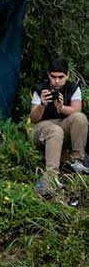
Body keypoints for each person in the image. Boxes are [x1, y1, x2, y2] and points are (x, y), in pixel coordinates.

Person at [29, 59, 89, 194]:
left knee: (80, 118)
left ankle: (77, 160)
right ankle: (51, 176)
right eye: (53, 77)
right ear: (48, 75)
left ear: (67, 75)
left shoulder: (73, 88)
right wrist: (42, 105)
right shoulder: (40, 89)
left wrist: (61, 108)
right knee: (55, 130)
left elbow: (76, 110)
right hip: (42, 128)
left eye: (60, 77)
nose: (57, 81)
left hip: (64, 124)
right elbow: (33, 119)